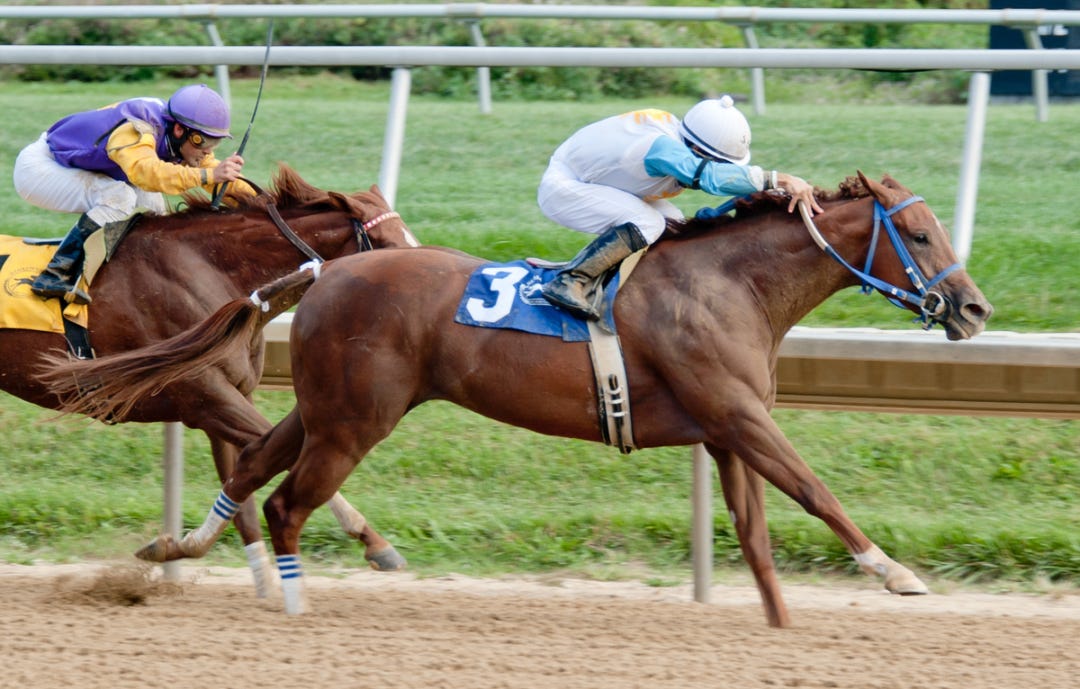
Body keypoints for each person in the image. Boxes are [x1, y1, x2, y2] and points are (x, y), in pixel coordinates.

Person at [536, 94, 824, 321]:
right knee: (648, 223)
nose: (723, 168)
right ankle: (571, 280)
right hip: (564, 188)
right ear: (697, 150)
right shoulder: (661, 149)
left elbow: (717, 175)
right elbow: (710, 178)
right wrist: (779, 179)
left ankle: (634, 286)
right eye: (719, 162)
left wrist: (769, 190)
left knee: (673, 222)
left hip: (596, 180)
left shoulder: (683, 138)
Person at [12, 83, 254, 305]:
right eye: (204, 142)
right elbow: (146, 174)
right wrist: (208, 176)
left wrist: (260, 200)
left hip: (82, 167)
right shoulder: (137, 128)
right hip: (40, 168)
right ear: (180, 129)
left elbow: (214, 173)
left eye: (215, 143)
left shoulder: (179, 134)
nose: (208, 151)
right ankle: (56, 274)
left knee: (156, 211)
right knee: (120, 197)